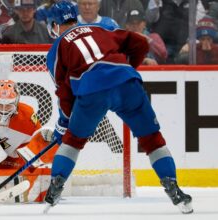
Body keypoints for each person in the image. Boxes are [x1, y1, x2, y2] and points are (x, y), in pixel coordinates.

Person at [44, 1, 193, 214]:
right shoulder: (102, 28)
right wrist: (125, 70)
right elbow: (141, 43)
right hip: (126, 83)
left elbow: (64, 93)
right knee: (152, 138)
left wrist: (64, 125)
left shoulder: (55, 50)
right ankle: (174, 188)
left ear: (55, 25)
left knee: (73, 142)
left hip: (92, 91)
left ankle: (55, 187)